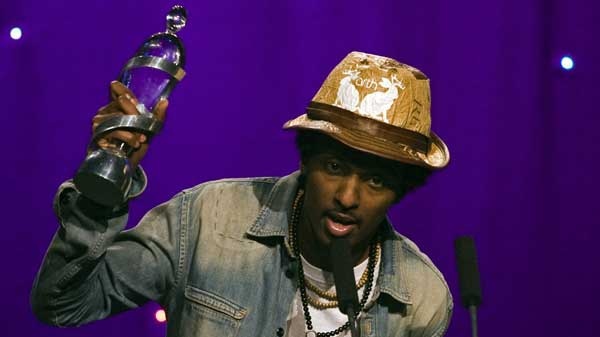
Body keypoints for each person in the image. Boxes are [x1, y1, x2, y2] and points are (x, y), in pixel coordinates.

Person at [31, 51, 453, 337]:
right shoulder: (207, 219)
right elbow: (63, 304)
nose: (347, 196)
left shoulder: (420, 299)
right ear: (306, 162)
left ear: (400, 191)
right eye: (335, 167)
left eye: (376, 181)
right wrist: (103, 181)